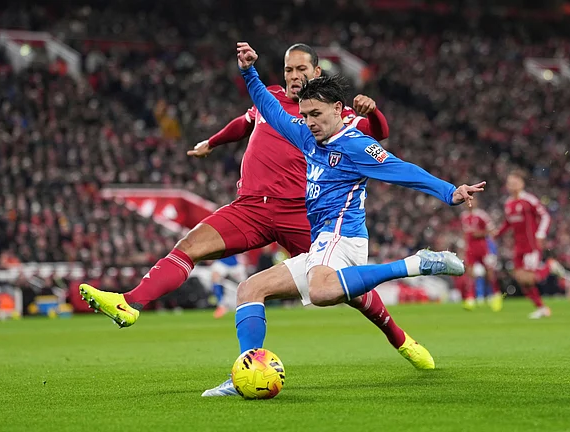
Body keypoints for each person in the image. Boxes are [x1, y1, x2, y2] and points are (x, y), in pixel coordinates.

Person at [80, 44, 412, 349]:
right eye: (288, 70)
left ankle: (399, 338)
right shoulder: (269, 98)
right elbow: (243, 123)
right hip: (250, 208)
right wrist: (212, 142)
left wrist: (373, 112)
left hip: (301, 213)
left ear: (317, 73)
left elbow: (378, 134)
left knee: (337, 288)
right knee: (189, 246)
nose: (294, 76)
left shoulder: (332, 114)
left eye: (301, 69)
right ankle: (130, 302)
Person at [200, 42, 486, 396]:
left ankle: (415, 263)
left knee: (321, 292)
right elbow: (270, 109)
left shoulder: (354, 145)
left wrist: (449, 192)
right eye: (305, 115)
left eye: (316, 115)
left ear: (338, 109)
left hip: (344, 237)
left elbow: (400, 169)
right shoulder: (307, 136)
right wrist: (248, 72)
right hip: (322, 241)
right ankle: (247, 370)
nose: (310, 123)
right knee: (249, 289)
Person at [495, 170, 563, 319]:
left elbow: (545, 216)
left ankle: (549, 266)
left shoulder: (529, 200)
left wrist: (540, 233)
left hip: (531, 245)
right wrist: (497, 233)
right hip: (518, 246)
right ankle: (542, 308)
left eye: (515, 183)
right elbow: (508, 223)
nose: (512, 186)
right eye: (510, 183)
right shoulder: (508, 203)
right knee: (521, 280)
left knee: (530, 279)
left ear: (521, 184)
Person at [460, 199, 503, 311]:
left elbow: (492, 230)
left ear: (476, 202)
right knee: (470, 273)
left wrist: (480, 234)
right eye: (467, 201)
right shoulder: (463, 216)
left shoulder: (481, 215)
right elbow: (465, 233)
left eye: (472, 201)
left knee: (489, 273)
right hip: (470, 249)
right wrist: (464, 247)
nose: (469, 203)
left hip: (483, 248)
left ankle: (496, 296)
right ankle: (470, 298)